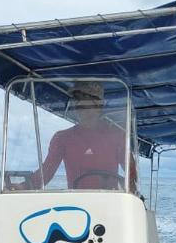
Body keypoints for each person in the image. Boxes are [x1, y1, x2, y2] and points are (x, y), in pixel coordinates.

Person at [10, 82, 138, 191]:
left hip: (111, 208)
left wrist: (130, 195)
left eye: (85, 99)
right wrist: (23, 186)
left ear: (99, 104)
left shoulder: (118, 136)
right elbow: (46, 173)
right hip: (76, 209)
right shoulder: (62, 138)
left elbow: (132, 174)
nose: (80, 104)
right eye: (76, 99)